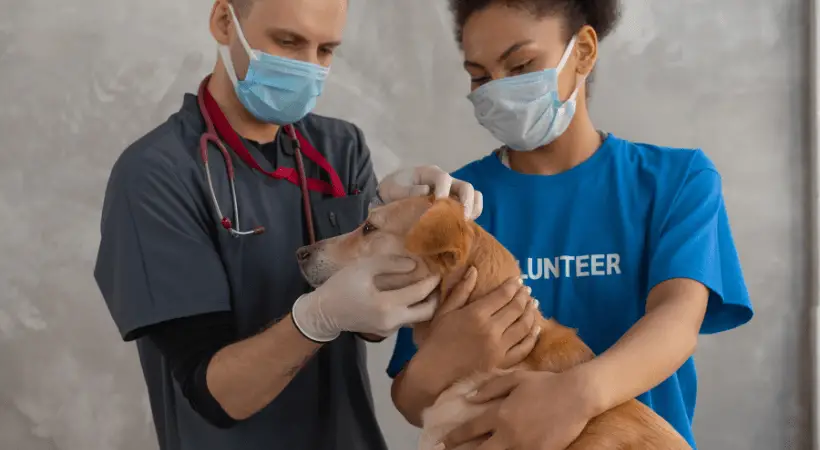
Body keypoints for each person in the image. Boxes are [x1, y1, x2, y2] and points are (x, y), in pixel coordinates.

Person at [92, 0, 535, 449]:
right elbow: (216, 395)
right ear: (225, 22)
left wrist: (399, 224)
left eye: (326, 50)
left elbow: (370, 320)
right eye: (288, 41)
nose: (308, 67)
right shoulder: (157, 175)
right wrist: (317, 318)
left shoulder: (340, 148)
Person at [387, 0, 754, 449]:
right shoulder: (457, 208)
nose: (497, 90)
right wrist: (438, 362)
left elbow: (676, 322)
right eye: (480, 77)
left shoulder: (676, 181)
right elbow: (410, 399)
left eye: (520, 64)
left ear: (582, 50)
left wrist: (573, 397)